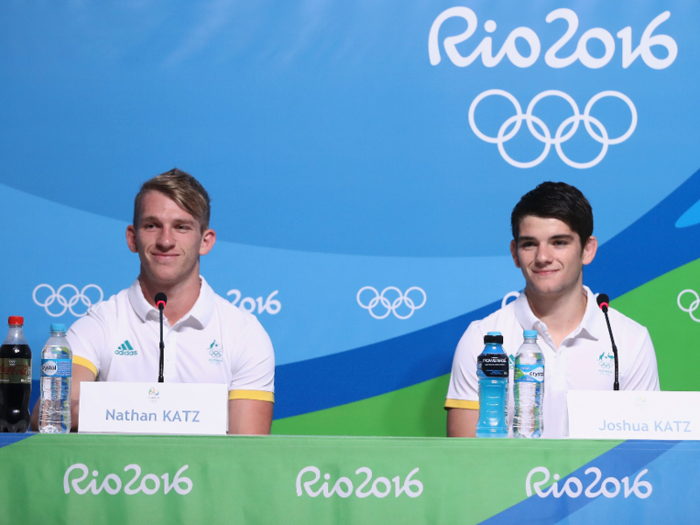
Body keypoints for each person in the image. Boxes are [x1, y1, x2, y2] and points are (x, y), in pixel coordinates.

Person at [31, 168, 275, 434]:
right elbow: (48, 415)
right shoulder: (100, 323)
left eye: (181, 227)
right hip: (119, 476)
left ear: (205, 241)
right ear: (133, 238)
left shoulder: (244, 333)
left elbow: (248, 450)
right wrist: (159, 412)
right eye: (151, 225)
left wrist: (125, 410)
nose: (165, 241)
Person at [445, 181, 659, 438]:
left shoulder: (630, 340)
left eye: (559, 242)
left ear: (587, 250)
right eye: (529, 244)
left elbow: (644, 458)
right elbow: (464, 459)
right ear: (515, 253)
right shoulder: (483, 340)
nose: (543, 257)